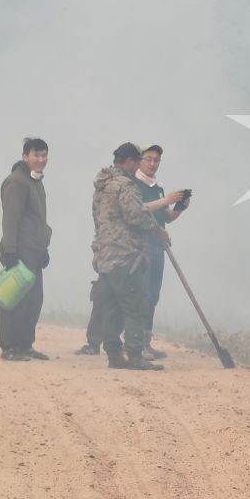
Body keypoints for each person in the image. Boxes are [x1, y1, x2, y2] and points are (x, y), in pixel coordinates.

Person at [89, 142, 186, 370]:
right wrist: (156, 230)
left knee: (113, 305)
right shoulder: (126, 186)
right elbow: (136, 216)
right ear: (131, 161)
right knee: (135, 306)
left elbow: (97, 218)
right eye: (139, 160)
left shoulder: (102, 186)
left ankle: (113, 354)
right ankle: (134, 355)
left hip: (106, 254)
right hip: (126, 255)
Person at [0, 138, 53, 360]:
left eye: (44, 155)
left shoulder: (35, 181)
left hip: (34, 250)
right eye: (36, 155)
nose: (41, 160)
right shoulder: (16, 182)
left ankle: (25, 345)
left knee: (33, 299)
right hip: (19, 249)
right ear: (25, 157)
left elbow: (36, 219)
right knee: (13, 298)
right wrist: (9, 249)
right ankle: (9, 347)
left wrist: (43, 247)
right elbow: (10, 218)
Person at [133, 145, 190, 359]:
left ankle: (146, 343)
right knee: (143, 293)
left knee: (153, 295)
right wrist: (167, 200)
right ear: (140, 160)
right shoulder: (134, 184)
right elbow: (140, 209)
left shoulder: (157, 186)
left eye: (156, 160)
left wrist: (179, 208)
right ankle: (136, 343)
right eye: (148, 159)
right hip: (141, 245)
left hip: (158, 245)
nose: (152, 163)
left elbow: (165, 216)